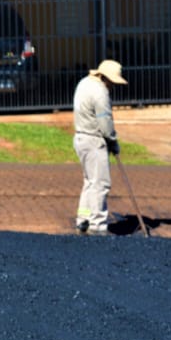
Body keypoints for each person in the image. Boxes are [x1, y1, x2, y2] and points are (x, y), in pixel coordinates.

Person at [72, 59, 127, 235]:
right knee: (101, 184)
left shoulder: (84, 83)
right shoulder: (100, 93)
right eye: (112, 81)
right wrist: (113, 141)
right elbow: (105, 123)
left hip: (80, 138)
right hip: (94, 142)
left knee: (89, 182)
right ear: (106, 78)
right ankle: (97, 225)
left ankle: (83, 219)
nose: (113, 85)